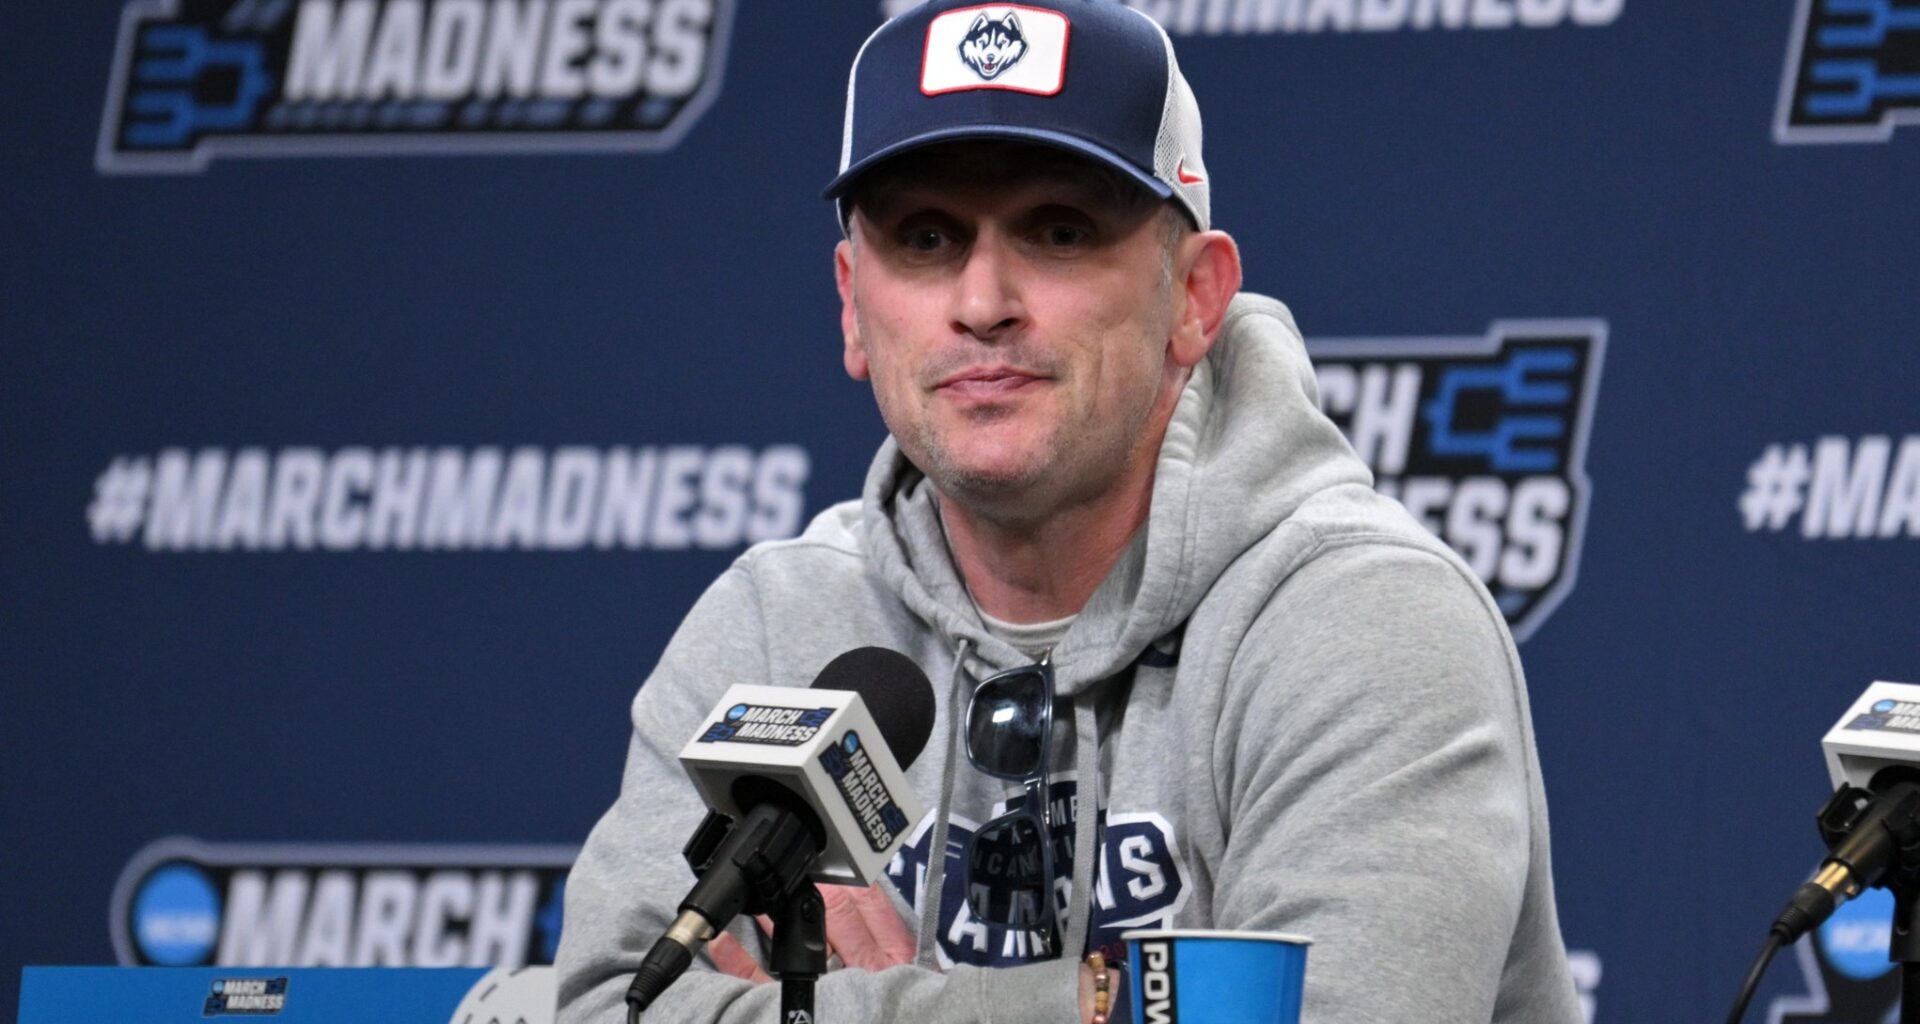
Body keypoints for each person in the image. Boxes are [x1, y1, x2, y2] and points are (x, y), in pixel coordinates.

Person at [556, 1, 1582, 1021]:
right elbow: (607, 1007)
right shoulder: (777, 627)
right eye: (924, 237)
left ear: (1194, 295)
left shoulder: (1364, 625)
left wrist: (849, 1007)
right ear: (851, 302)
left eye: (1058, 230)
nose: (984, 297)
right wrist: (1078, 1007)